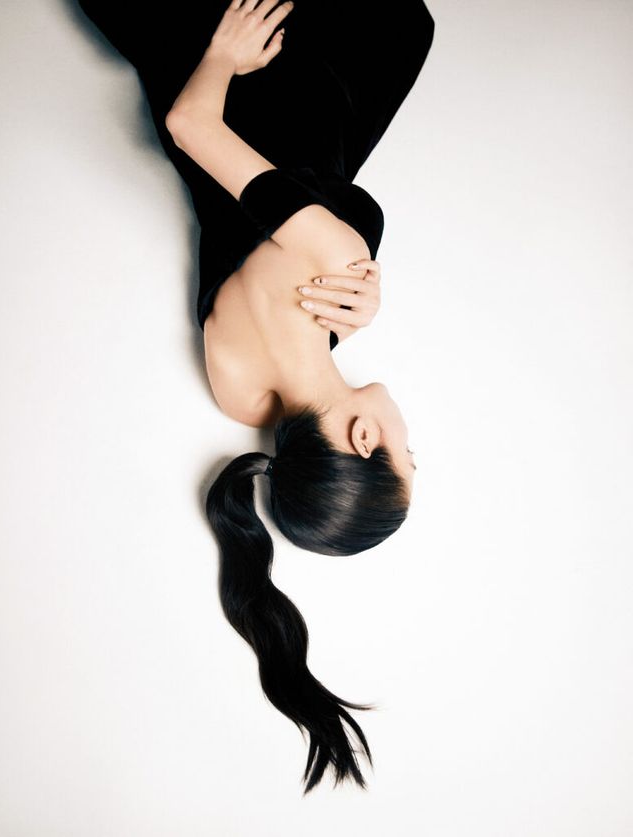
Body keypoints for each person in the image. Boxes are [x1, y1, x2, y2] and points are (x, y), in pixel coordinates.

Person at [77, 0, 435, 794]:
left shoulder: (339, 263)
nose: (410, 437)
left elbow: (192, 126)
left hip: (253, 89)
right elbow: (269, 286)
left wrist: (223, 57)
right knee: (407, 35)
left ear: (365, 440)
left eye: (407, 452)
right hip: (285, 134)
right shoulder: (239, 395)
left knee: (406, 25)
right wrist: (355, 308)